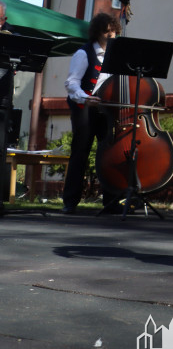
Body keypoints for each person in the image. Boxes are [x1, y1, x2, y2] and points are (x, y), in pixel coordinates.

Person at [62, 12, 120, 214]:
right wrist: (85, 97)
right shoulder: (83, 53)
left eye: (114, 33)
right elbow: (71, 83)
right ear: (98, 33)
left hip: (106, 109)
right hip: (84, 107)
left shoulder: (116, 54)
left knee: (109, 153)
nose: (111, 37)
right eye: (107, 33)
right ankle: (70, 201)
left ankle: (111, 201)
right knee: (80, 152)